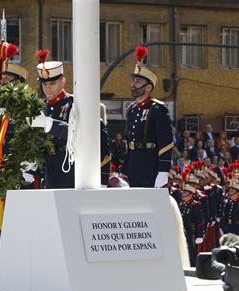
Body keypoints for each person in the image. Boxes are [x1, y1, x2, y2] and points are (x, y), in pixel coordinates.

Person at [27, 56, 111, 187]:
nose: (47, 88)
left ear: (63, 81)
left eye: (52, 83)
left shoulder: (76, 104)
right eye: (44, 84)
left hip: (74, 170)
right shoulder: (42, 108)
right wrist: (31, 165)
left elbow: (86, 134)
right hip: (50, 171)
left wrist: (103, 179)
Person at [121, 47, 173, 188]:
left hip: (151, 166)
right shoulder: (132, 109)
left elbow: (166, 142)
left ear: (148, 87)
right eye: (133, 81)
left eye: (137, 82)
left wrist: (163, 171)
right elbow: (130, 142)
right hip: (133, 167)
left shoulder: (157, 109)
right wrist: (125, 168)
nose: (133, 85)